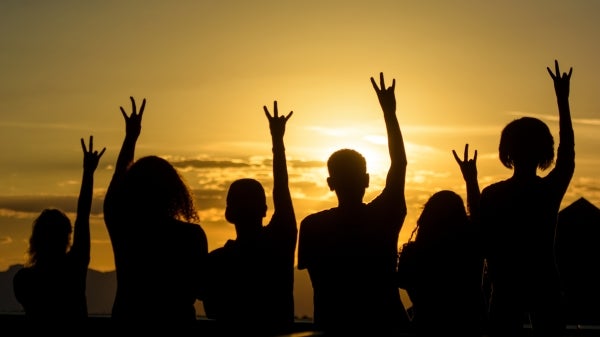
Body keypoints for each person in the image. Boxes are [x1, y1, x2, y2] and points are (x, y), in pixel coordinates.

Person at [297, 73, 409, 336]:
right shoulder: (384, 215)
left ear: (329, 183)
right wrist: (389, 113)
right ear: (367, 180)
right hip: (386, 328)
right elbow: (399, 164)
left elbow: (319, 281)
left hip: (333, 328)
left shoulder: (312, 226)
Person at [480, 60, 575, 337]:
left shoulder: (493, 194)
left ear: (507, 152)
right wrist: (562, 100)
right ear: (544, 152)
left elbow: (483, 245)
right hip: (544, 285)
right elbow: (568, 155)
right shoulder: (546, 191)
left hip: (505, 289)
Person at [103, 97, 208, 326]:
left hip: (128, 321)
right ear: (174, 192)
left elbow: (114, 193)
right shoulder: (191, 236)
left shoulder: (126, 232)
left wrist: (130, 138)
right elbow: (201, 288)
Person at [203, 101, 297, 336]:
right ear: (265, 210)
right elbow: (282, 191)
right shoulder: (280, 242)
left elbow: (212, 310)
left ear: (227, 214)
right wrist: (277, 142)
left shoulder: (216, 262)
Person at [13, 136, 105, 328]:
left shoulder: (24, 281)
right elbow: (83, 216)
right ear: (67, 237)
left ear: (35, 239)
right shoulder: (74, 268)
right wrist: (88, 173)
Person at [399, 144, 486, 336]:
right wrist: (471, 180)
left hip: (424, 329)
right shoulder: (470, 249)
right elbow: (479, 219)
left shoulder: (413, 254)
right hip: (468, 329)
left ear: (426, 218)